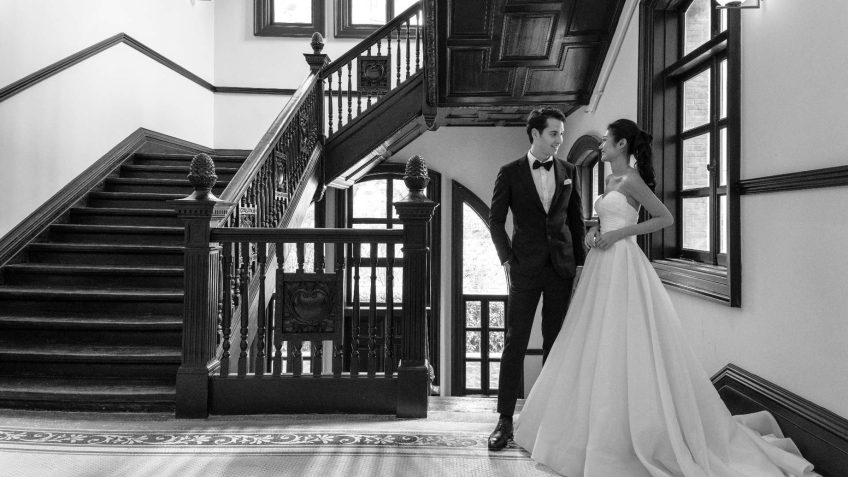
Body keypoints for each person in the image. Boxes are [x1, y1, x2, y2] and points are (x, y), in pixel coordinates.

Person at [513, 119, 820, 476]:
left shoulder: (631, 179)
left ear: (622, 145)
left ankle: (629, 431)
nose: (602, 145)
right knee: (593, 337)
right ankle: (589, 424)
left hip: (623, 262)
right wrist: (594, 233)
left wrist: (620, 234)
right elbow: (607, 219)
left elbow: (664, 217)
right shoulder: (610, 180)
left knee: (624, 338)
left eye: (607, 140)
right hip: (601, 262)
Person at [487, 107, 586, 451]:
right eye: (554, 133)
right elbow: (495, 220)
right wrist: (506, 260)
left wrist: (580, 265)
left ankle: (548, 417)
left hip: (561, 268)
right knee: (515, 342)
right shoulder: (509, 172)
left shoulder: (570, 171)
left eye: (561, 133)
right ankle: (504, 420)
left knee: (554, 343)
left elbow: (576, 221)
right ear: (535, 134)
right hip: (524, 268)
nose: (560, 140)